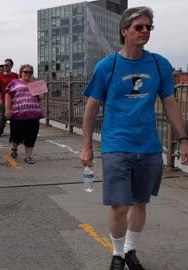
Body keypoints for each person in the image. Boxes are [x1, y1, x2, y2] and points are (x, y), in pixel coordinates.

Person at [80, 7, 188, 270]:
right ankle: (117, 254)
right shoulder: (108, 66)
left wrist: (184, 138)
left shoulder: (159, 64)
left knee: (141, 202)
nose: (145, 31)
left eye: (149, 27)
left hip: (149, 146)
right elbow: (92, 107)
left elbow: (170, 102)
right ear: (124, 30)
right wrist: (86, 147)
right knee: (119, 205)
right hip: (117, 144)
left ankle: (130, 250)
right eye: (139, 27)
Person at [5, 65, 42, 164]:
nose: (28, 74)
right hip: (17, 114)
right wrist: (7, 109)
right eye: (26, 72)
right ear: (21, 72)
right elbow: (8, 95)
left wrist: (40, 93)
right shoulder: (14, 83)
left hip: (33, 114)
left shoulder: (35, 83)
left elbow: (40, 98)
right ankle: (14, 148)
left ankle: (28, 156)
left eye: (30, 72)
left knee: (31, 135)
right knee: (16, 135)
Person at [0, 58, 19, 140]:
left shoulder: (15, 76)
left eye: (7, 65)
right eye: (4, 65)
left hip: (14, 100)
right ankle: (0, 130)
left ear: (11, 66)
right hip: (3, 100)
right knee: (3, 117)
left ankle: (12, 135)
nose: (5, 66)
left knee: (13, 118)